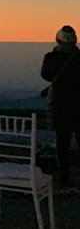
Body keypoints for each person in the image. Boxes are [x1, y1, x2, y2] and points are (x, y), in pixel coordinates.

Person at [41, 25, 80, 187]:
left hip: (59, 104)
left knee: (62, 142)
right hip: (79, 104)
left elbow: (46, 76)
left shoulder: (51, 57)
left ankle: (64, 176)